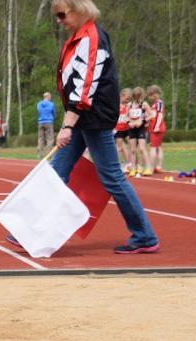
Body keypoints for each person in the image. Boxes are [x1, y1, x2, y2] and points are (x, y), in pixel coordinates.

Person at [46, 0, 158, 254]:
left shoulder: (91, 38)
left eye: (62, 15)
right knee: (56, 173)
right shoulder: (78, 38)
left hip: (93, 118)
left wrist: (67, 125)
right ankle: (35, 230)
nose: (59, 21)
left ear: (78, 9)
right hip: (82, 117)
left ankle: (145, 236)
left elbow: (85, 86)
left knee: (112, 177)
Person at [126, 86, 152, 177]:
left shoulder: (144, 104)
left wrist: (142, 121)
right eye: (136, 96)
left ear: (141, 96)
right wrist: (129, 123)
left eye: (139, 96)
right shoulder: (129, 105)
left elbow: (151, 115)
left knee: (142, 148)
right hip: (132, 128)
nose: (138, 98)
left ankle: (148, 167)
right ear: (134, 96)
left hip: (141, 128)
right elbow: (126, 116)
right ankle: (133, 168)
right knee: (132, 149)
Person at [146, 85, 166, 174]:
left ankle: (151, 167)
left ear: (154, 94)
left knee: (153, 147)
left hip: (157, 128)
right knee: (158, 147)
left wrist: (157, 126)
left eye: (150, 95)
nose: (149, 98)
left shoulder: (159, 103)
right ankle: (158, 166)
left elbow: (160, 115)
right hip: (154, 127)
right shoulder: (154, 104)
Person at [114, 87, 132, 172]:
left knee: (131, 147)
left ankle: (130, 163)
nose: (127, 101)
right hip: (119, 129)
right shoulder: (116, 105)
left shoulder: (128, 106)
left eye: (129, 99)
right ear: (121, 96)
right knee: (120, 148)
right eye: (126, 98)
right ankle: (117, 164)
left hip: (127, 128)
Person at [37, 92, 56, 157]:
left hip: (40, 122)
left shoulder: (39, 104)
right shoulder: (51, 104)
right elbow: (53, 113)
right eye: (50, 96)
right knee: (50, 138)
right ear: (48, 96)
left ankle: (39, 154)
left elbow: (39, 112)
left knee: (40, 138)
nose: (50, 98)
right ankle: (49, 154)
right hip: (49, 122)